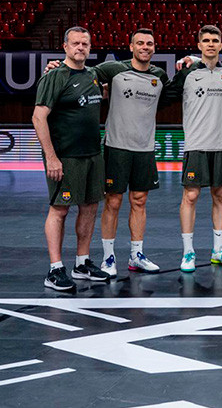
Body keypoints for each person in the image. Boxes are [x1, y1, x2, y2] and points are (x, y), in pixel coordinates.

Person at [44, 28, 171, 277]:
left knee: (140, 201)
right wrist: (56, 67)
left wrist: (193, 61)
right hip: (116, 146)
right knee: (112, 202)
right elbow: (78, 72)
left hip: (145, 148)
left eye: (150, 43)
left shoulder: (160, 75)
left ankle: (137, 255)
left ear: (154, 48)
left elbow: (178, 88)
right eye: (140, 43)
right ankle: (108, 258)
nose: (145, 47)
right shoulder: (112, 69)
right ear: (131, 46)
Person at [165, 25, 222, 272]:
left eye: (215, 40)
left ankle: (218, 250)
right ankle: (188, 252)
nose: (211, 44)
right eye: (206, 40)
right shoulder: (187, 74)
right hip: (196, 145)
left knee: (221, 196)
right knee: (191, 196)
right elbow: (163, 96)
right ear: (199, 45)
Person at [33, 27, 110, 290]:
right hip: (65, 157)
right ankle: (55, 270)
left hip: (92, 155)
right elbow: (38, 117)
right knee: (60, 210)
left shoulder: (93, 75)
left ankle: (82, 263)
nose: (80, 47)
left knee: (90, 207)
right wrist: (51, 157)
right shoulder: (55, 76)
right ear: (65, 47)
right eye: (75, 43)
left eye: (85, 44)